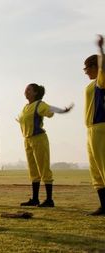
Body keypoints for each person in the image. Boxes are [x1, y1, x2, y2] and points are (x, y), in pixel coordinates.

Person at [17, 83, 72, 208]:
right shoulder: (26, 107)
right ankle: (35, 199)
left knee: (43, 168)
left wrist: (62, 110)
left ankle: (49, 200)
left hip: (39, 139)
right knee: (33, 169)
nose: (26, 91)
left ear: (36, 92)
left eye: (29, 89)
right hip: (27, 140)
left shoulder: (39, 104)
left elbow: (50, 108)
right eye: (25, 89)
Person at [83, 35, 105, 215]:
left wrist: (100, 50)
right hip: (90, 129)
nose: (84, 71)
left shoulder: (100, 80)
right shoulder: (91, 84)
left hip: (101, 127)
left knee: (103, 166)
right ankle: (103, 205)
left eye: (87, 67)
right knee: (95, 169)